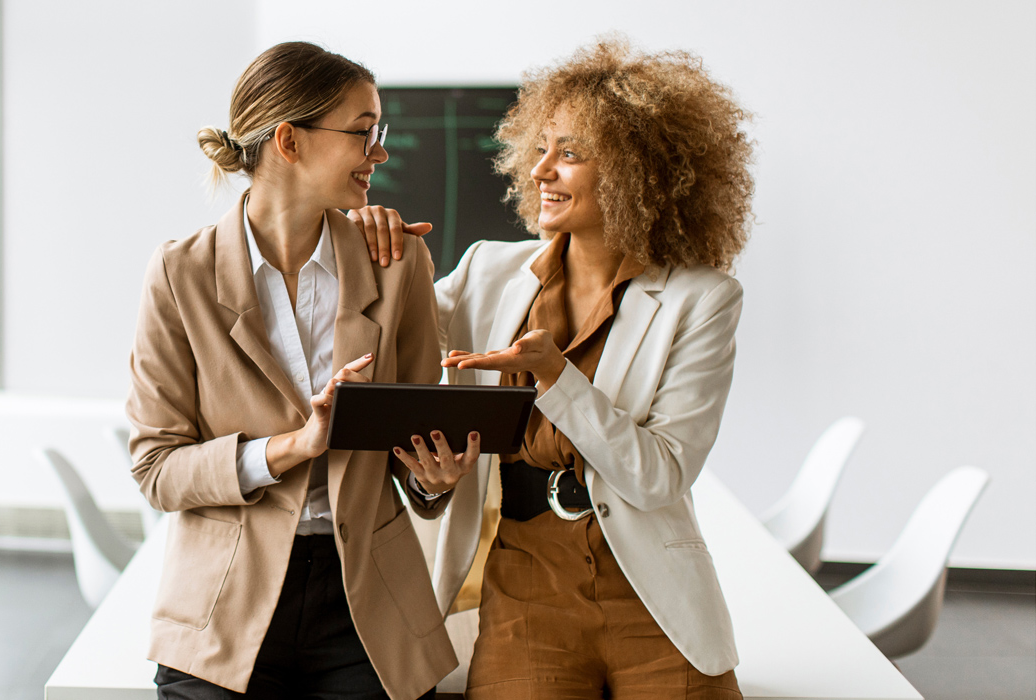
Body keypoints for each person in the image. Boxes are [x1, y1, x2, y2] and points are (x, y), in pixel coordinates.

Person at [348, 35, 755, 698]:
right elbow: (391, 340)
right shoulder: (487, 270)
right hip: (525, 593)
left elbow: (659, 476)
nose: (541, 172)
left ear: (637, 173)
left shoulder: (702, 300)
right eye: (540, 148)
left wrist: (556, 378)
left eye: (570, 154)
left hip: (651, 600)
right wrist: (374, 248)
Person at [126, 41, 479, 700]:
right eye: (362, 132)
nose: (379, 153)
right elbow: (156, 470)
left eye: (381, 133)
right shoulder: (182, 275)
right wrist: (295, 446)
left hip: (368, 604)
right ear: (289, 140)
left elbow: (414, 448)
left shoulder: (398, 264)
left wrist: (434, 479)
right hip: (224, 603)